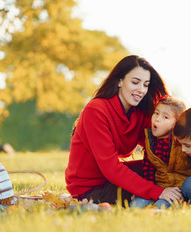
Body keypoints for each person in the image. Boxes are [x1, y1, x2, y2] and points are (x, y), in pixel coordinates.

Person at [65, 55, 180, 206]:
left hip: (110, 180)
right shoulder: (96, 110)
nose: (141, 90)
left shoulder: (138, 113)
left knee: (169, 171)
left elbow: (159, 145)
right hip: (90, 190)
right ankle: (171, 199)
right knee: (162, 185)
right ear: (120, 81)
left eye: (146, 85)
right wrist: (159, 191)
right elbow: (111, 169)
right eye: (135, 82)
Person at [130, 95, 191, 208]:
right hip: (160, 188)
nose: (157, 119)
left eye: (165, 117)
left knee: (160, 208)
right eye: (156, 113)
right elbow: (148, 171)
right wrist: (145, 192)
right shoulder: (150, 142)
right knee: (135, 205)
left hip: (180, 190)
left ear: (176, 123)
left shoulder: (182, 142)